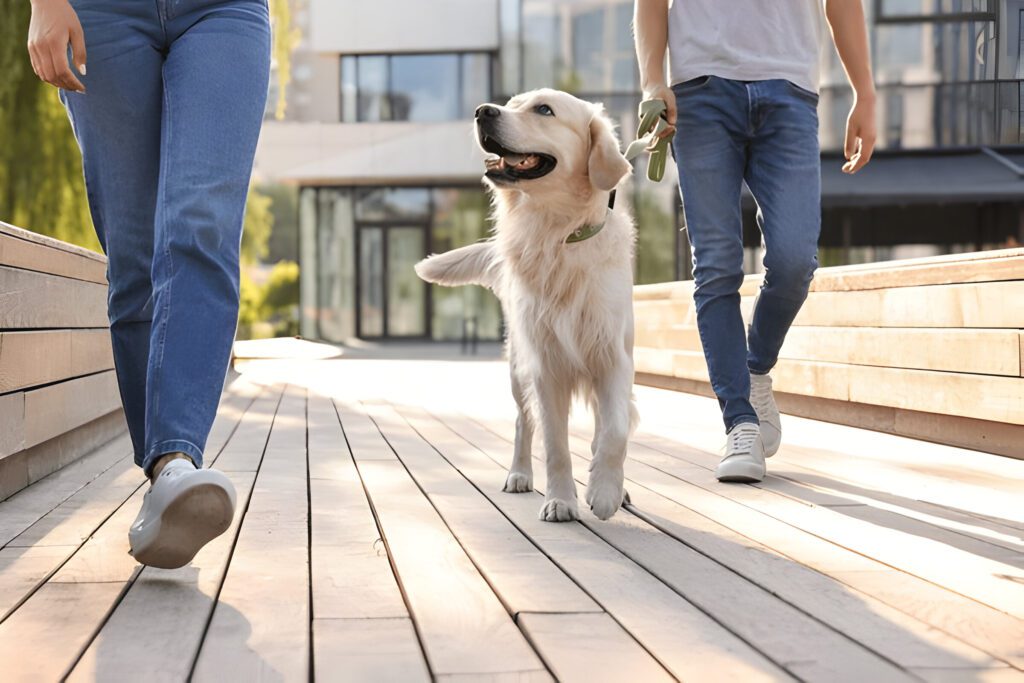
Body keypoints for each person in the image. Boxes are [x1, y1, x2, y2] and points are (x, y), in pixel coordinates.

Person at [26, 0, 270, 567]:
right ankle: (164, 476)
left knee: (200, 225)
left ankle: (176, 460)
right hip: (99, 14)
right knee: (135, 257)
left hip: (224, 11)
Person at [634, 0, 875, 482]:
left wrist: (864, 93)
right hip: (700, 88)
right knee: (717, 264)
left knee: (793, 261)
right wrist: (651, 80)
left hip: (790, 89)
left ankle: (756, 368)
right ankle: (740, 422)